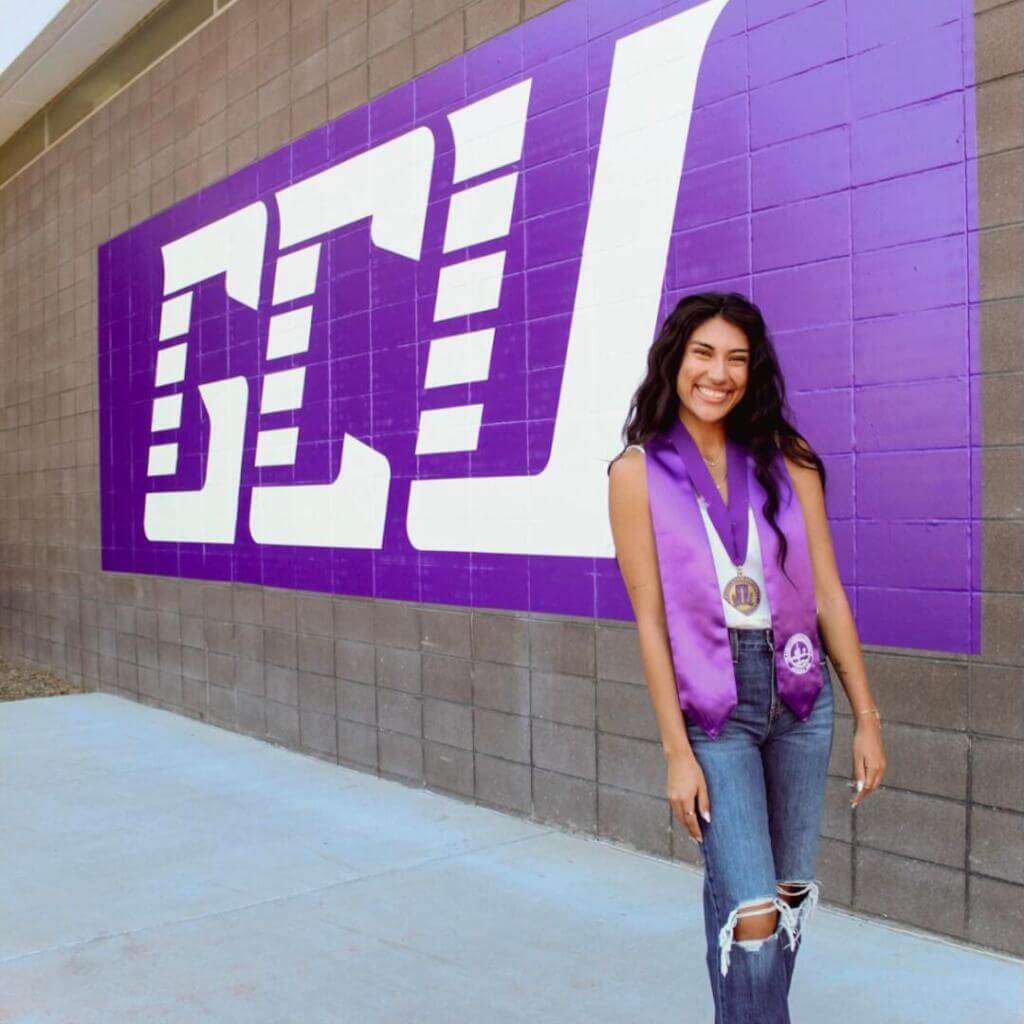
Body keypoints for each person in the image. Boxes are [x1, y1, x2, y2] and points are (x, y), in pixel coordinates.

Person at [607, 291, 887, 1022]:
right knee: (752, 913)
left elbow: (828, 593)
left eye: (736, 358)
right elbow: (650, 622)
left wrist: (867, 716)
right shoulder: (637, 472)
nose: (718, 373)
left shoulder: (789, 460)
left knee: (781, 900)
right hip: (712, 702)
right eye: (703, 353)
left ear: (752, 370)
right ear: (675, 360)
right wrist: (676, 752)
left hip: (799, 693)